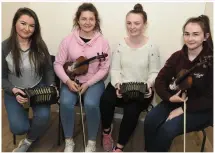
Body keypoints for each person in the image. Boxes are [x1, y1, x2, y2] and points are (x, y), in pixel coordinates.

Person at [144, 15, 213, 152]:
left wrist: (182, 109)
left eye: (195, 34)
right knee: (150, 120)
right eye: (187, 34)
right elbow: (160, 80)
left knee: (167, 129)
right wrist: (169, 98)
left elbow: (211, 98)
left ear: (205, 36)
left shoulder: (211, 61)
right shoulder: (177, 57)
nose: (190, 38)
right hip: (175, 100)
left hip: (201, 109)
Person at [100, 3, 160, 152]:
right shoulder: (121, 44)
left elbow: (154, 72)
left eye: (136, 23)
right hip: (121, 85)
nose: (132, 27)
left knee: (132, 111)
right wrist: (117, 84)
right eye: (129, 23)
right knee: (105, 100)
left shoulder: (152, 47)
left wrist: (148, 84)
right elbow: (115, 69)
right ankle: (106, 132)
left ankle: (119, 147)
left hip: (141, 89)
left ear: (144, 25)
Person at [54, 3, 110, 152]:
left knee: (91, 104)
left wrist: (89, 83)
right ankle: (69, 140)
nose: (87, 22)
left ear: (96, 20)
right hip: (71, 80)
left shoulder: (102, 42)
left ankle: (91, 142)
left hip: (94, 82)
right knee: (65, 102)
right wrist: (67, 81)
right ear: (77, 20)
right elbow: (58, 64)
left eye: (91, 19)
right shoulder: (68, 40)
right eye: (83, 18)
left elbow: (104, 68)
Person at [2, 7, 56, 152]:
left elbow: (48, 69)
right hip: (14, 89)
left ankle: (27, 141)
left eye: (32, 25)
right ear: (15, 24)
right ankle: (29, 124)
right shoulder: (4, 47)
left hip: (37, 87)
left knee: (44, 117)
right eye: (23, 23)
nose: (27, 29)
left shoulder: (40, 44)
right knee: (19, 128)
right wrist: (14, 90)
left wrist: (51, 85)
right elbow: (2, 77)